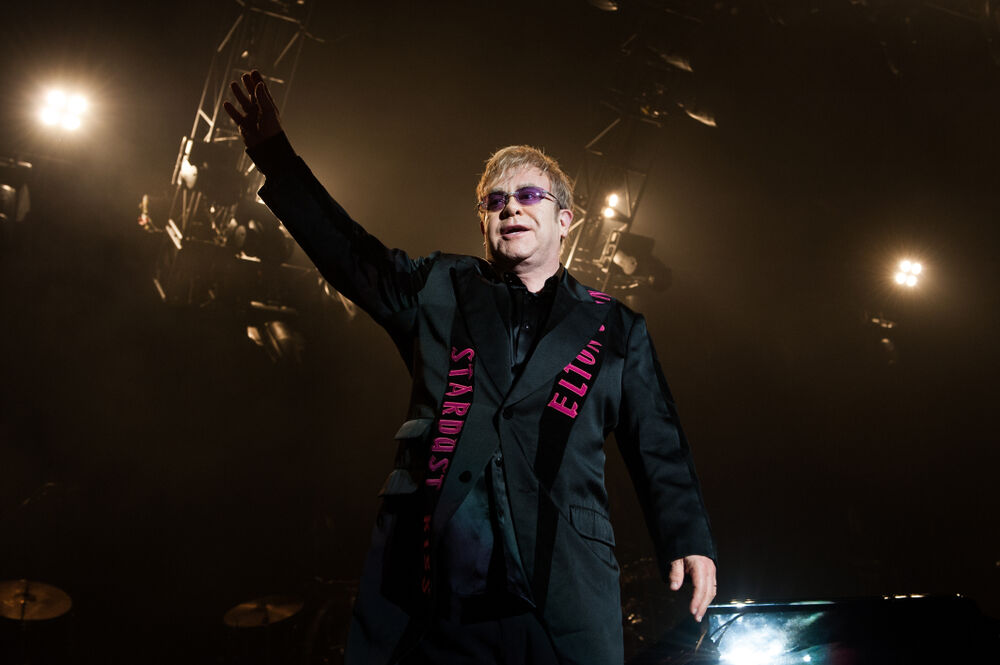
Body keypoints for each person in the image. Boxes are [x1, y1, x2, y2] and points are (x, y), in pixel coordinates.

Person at [225, 70, 716, 665]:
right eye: (495, 200)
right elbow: (349, 253)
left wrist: (688, 540)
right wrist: (275, 155)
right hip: (434, 588)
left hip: (558, 588)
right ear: (482, 222)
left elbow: (658, 443)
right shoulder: (438, 287)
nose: (510, 206)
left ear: (565, 220)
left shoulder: (616, 327)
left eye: (530, 195)